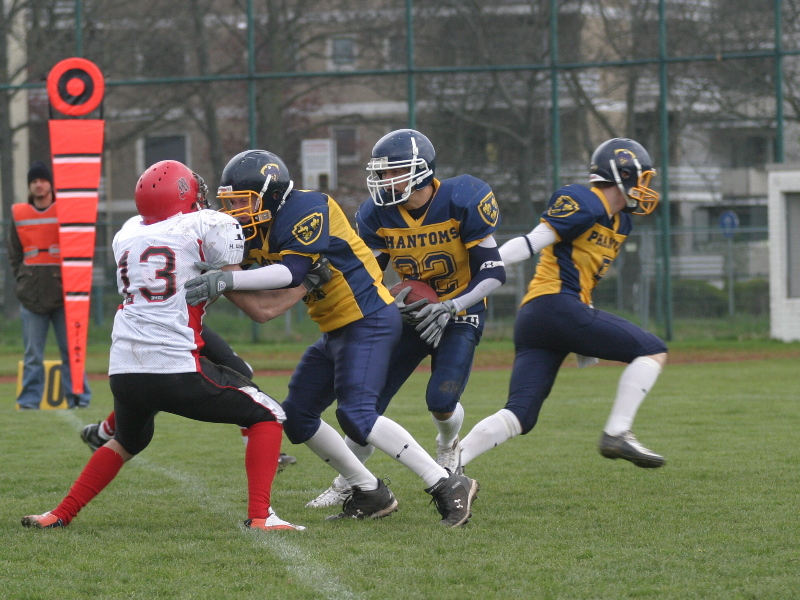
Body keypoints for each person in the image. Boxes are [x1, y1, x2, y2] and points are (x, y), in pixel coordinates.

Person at [185, 149, 479, 527]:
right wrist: (222, 274)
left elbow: (292, 273)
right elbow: (263, 306)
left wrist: (228, 278)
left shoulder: (308, 207)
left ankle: (447, 483)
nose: (236, 211)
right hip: (335, 327)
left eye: (244, 201)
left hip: (369, 318)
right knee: (297, 416)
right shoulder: (255, 228)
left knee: (357, 414)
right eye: (231, 203)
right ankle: (369, 491)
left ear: (272, 194)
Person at [22, 160, 303, 532]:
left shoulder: (127, 233)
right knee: (268, 414)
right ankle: (261, 516)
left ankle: (59, 514)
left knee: (127, 440)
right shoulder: (206, 225)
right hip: (174, 365)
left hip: (124, 367)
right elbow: (244, 287)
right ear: (184, 197)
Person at [306, 129, 506, 508]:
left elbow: (494, 273)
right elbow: (367, 276)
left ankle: (447, 444)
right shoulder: (377, 213)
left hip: (459, 311)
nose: (385, 180)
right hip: (411, 315)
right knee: (367, 404)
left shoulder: (463, 198)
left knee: (441, 401)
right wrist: (387, 304)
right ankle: (350, 481)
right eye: (381, 173)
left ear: (421, 171)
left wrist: (451, 306)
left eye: (394, 172)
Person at [458, 138, 668, 471]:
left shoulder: (621, 221)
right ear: (623, 174)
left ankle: (448, 467)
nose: (646, 188)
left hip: (540, 317)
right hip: (555, 306)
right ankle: (617, 432)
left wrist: (583, 334)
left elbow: (584, 274)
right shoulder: (585, 201)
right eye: (643, 178)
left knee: (520, 414)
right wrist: (484, 264)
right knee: (653, 350)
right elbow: (531, 242)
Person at [78, 326, 299, 470]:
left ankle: (102, 433)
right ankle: (104, 432)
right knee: (160, 381)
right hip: (163, 322)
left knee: (240, 373)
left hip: (186, 319)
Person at [9, 161, 91, 409]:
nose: (39, 185)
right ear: (29, 186)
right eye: (34, 181)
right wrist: (23, 279)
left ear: (51, 185)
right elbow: (14, 254)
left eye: (43, 180)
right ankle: (29, 402)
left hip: (65, 295)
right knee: (33, 354)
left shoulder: (65, 212)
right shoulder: (19, 214)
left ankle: (79, 398)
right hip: (31, 297)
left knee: (71, 351)